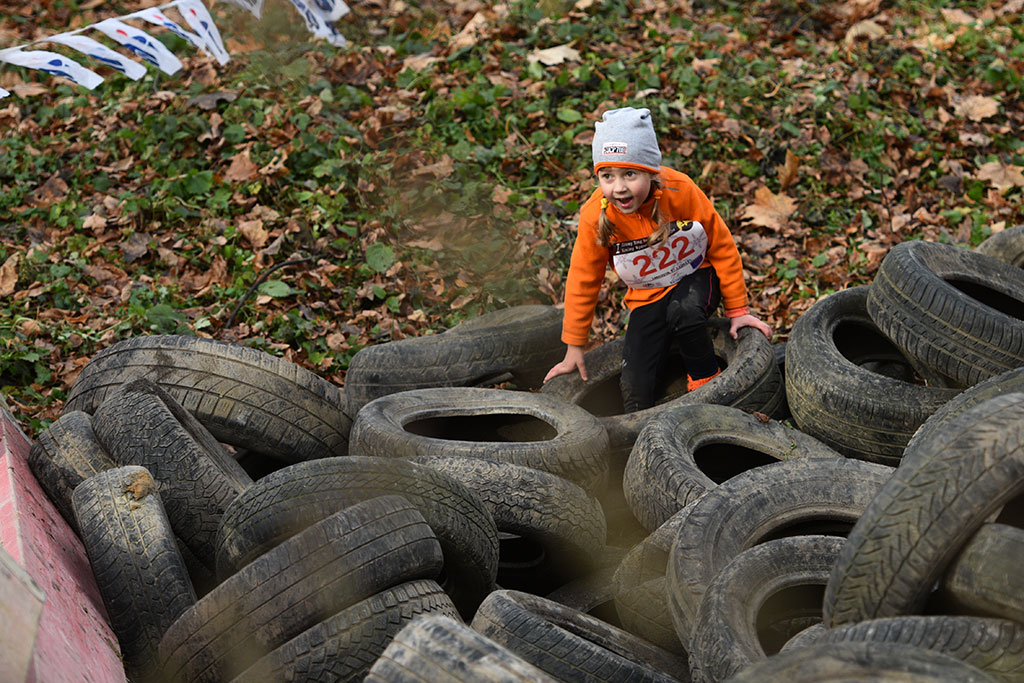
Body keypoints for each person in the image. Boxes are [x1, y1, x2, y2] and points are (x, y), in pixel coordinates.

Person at [543, 106, 772, 413]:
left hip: (696, 276)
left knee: (686, 312)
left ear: (651, 171)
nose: (619, 187)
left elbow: (722, 245)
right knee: (635, 379)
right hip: (647, 295)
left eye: (630, 174)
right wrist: (575, 345)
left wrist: (738, 310)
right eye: (607, 176)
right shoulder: (594, 216)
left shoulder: (681, 190)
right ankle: (642, 429)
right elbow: (584, 277)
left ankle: (708, 388)